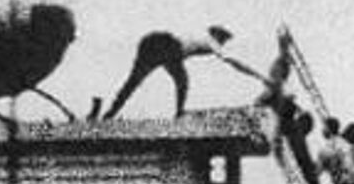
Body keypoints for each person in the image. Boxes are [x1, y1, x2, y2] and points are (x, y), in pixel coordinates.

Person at [102, 25, 247, 119]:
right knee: (182, 81)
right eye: (223, 40)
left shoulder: (199, 34)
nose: (223, 44)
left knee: (133, 82)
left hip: (151, 42)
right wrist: (255, 74)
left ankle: (110, 113)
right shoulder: (211, 41)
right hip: (169, 47)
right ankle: (179, 113)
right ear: (217, 36)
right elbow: (230, 60)